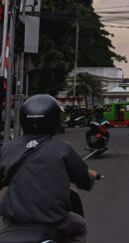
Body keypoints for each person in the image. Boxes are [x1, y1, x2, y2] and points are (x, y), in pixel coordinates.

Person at [0, 94, 98, 243]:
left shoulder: (7, 148)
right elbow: (84, 181)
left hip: (13, 224)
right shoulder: (62, 149)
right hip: (53, 222)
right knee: (80, 226)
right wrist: (90, 176)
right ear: (54, 121)